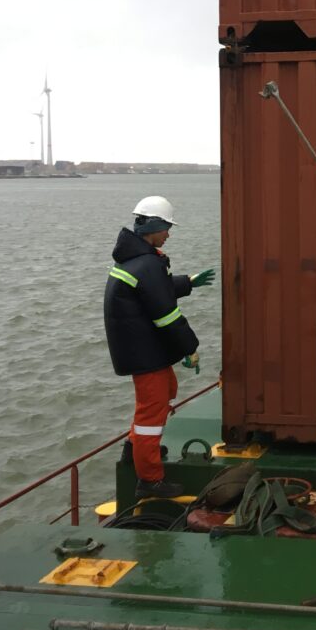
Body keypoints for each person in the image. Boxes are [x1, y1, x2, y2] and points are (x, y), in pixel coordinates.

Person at [104, 195, 215, 499]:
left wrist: (188, 282)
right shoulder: (147, 264)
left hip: (142, 349)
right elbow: (166, 315)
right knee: (151, 415)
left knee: (166, 390)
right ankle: (150, 480)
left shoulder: (137, 259)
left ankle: (135, 450)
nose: (168, 233)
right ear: (153, 226)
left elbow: (155, 289)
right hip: (145, 353)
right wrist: (190, 348)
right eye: (167, 227)